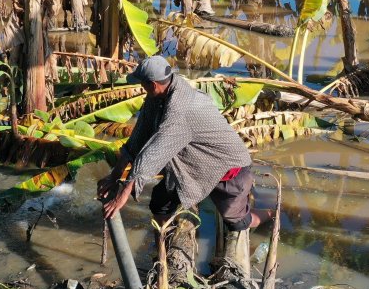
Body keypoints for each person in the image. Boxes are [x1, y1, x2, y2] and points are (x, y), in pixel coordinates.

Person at [97, 55, 271, 233]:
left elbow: (155, 151)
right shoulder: (158, 96)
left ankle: (271, 214)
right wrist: (114, 175)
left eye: (141, 83)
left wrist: (125, 191)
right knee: (159, 203)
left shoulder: (181, 109)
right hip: (193, 165)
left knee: (238, 223)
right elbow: (139, 136)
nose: (141, 87)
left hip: (228, 169)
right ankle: (164, 242)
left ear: (152, 84)